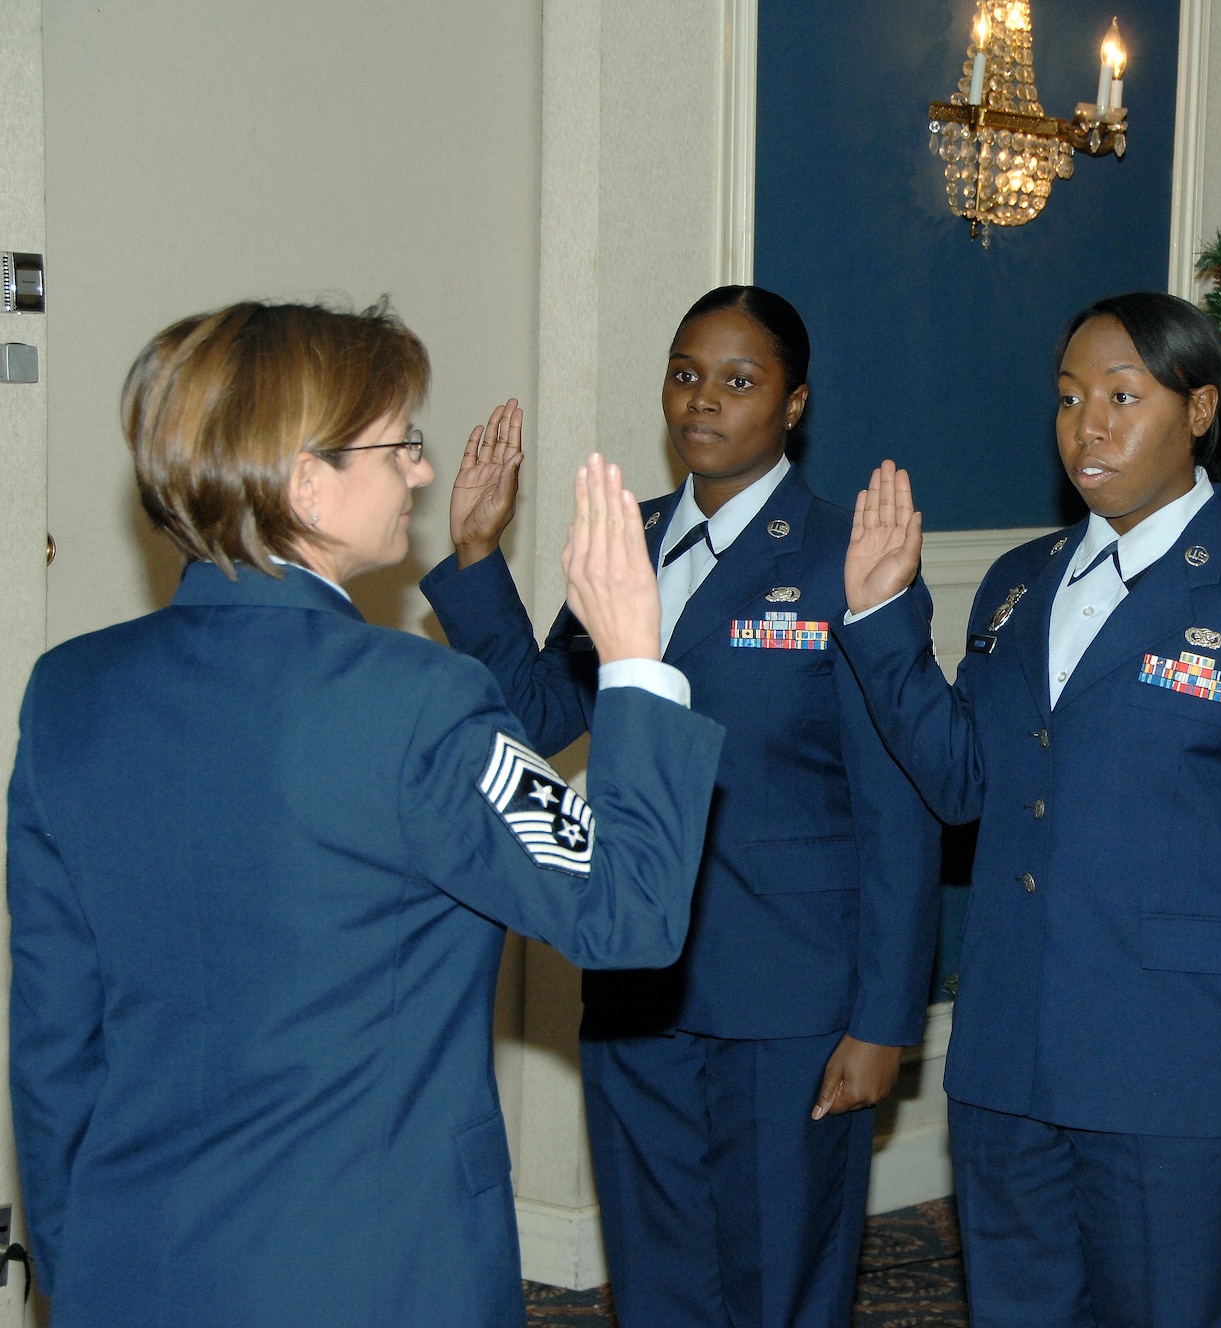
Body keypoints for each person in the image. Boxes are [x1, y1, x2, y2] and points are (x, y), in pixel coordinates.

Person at [7, 300, 725, 1328]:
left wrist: (75, 1273)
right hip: (379, 1267)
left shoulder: (69, 691)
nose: (421, 474)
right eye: (401, 445)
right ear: (306, 481)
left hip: (141, 1259)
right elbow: (627, 912)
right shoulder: (418, 703)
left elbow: (52, 1039)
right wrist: (636, 659)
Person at [839, 291, 1221, 1328]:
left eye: (1123, 396)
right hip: (1008, 1058)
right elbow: (962, 785)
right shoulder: (1015, 584)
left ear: (1201, 409)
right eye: (1070, 396)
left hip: (1180, 1072)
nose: (1088, 425)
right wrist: (877, 614)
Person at [421, 285, 940, 1327]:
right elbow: (538, 709)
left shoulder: (853, 554)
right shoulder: (634, 538)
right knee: (658, 1274)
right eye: (685, 373)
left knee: (778, 1279)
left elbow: (899, 809)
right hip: (637, 981)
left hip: (791, 998)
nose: (701, 400)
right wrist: (478, 555)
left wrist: (884, 1018)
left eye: (738, 380)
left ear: (793, 404)